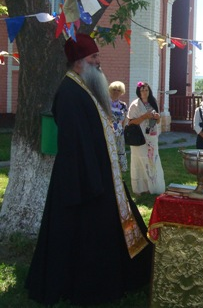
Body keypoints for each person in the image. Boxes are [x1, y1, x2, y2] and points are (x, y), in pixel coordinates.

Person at [26, 34, 152, 306]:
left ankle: (129, 274)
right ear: (79, 62)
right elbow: (75, 146)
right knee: (85, 238)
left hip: (99, 175)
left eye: (98, 57)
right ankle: (90, 286)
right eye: (94, 58)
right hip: (83, 181)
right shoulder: (69, 93)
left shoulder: (84, 88)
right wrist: (94, 181)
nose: (99, 62)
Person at [128, 81, 165, 195]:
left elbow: (158, 121)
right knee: (140, 160)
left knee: (152, 160)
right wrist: (144, 116)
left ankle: (153, 187)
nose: (144, 92)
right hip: (140, 137)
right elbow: (131, 122)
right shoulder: (135, 105)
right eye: (142, 90)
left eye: (146, 90)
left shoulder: (153, 102)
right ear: (139, 92)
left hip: (152, 137)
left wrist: (158, 117)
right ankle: (141, 188)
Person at [109, 81, 128, 172]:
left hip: (120, 134)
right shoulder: (105, 104)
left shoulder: (123, 105)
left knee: (120, 152)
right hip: (108, 133)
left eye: (118, 90)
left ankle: (120, 172)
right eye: (114, 90)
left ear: (121, 92)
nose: (116, 92)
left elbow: (125, 120)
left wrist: (121, 127)